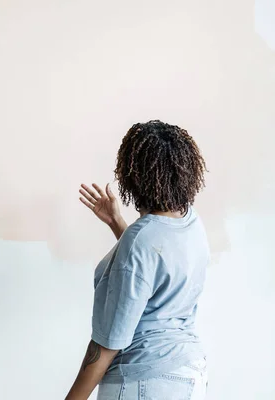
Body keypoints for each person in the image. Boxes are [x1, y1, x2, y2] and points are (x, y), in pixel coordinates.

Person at [66, 120, 210, 400]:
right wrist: (117, 223)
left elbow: (108, 344)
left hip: (144, 380)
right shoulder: (191, 222)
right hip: (188, 376)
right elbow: (153, 269)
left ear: (133, 176)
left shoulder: (140, 240)